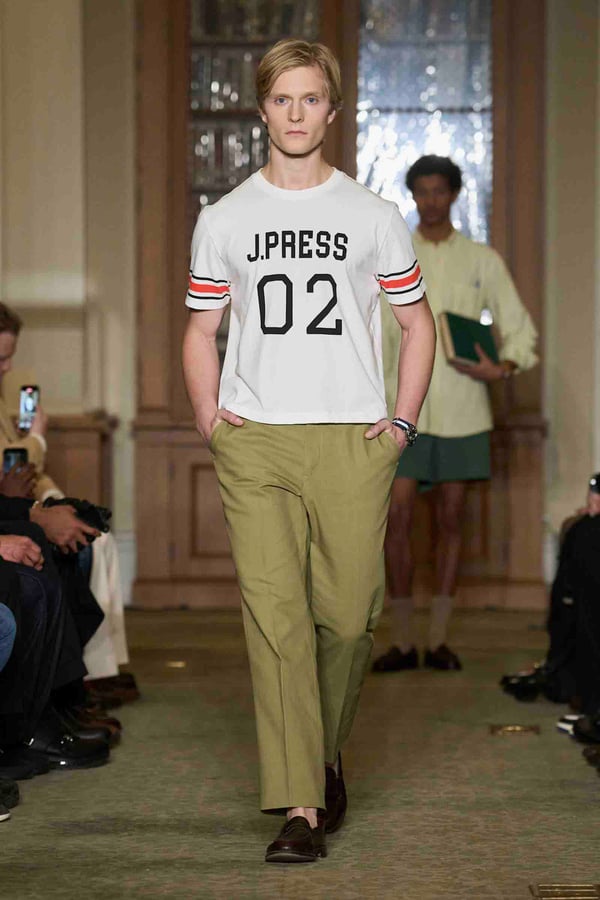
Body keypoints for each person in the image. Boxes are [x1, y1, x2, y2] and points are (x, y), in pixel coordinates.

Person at [182, 39, 436, 863]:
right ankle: (301, 806)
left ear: (332, 110)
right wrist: (210, 420)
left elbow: (417, 324)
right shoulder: (225, 219)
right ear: (263, 108)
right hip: (257, 442)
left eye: (311, 99)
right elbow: (201, 330)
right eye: (281, 99)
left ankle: (322, 754)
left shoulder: (373, 216)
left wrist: (401, 424)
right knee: (277, 620)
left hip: (351, 438)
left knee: (351, 619)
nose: (296, 114)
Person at [373, 155, 538, 674]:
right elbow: (370, 334)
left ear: (453, 194)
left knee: (450, 522)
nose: (431, 200)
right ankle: (403, 641)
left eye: (439, 190)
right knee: (397, 520)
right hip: (401, 412)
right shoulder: (392, 255)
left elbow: (520, 329)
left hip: (464, 412)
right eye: (422, 191)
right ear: (412, 196)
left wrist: (501, 366)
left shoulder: (481, 260)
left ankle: (439, 639)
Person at [0, 302, 129, 680]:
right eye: (1, 358)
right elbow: (13, 467)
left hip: (16, 502)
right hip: (9, 508)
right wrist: (38, 437)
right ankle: (77, 682)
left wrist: (49, 501)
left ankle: (96, 675)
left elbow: (20, 472)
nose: (7, 368)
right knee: (64, 546)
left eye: (9, 358)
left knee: (89, 530)